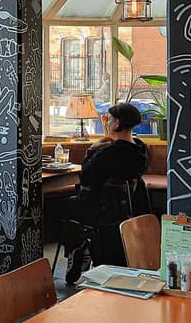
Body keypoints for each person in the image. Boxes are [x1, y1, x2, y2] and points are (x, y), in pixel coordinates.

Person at [64, 102, 149, 283]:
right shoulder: (141, 150)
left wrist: (91, 151)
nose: (107, 122)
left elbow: (87, 177)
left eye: (109, 119)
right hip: (130, 210)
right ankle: (83, 247)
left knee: (61, 209)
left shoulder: (107, 153)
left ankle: (79, 248)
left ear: (117, 124)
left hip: (102, 211)